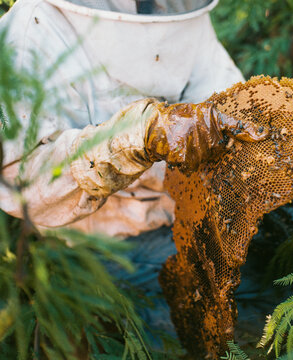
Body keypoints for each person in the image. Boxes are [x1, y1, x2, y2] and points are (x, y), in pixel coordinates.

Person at [0, 0, 266, 335]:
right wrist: (138, 138)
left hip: (186, 216)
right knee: (207, 333)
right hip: (97, 243)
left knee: (270, 302)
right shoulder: (34, 26)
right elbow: (22, 180)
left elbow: (222, 94)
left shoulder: (180, 8)